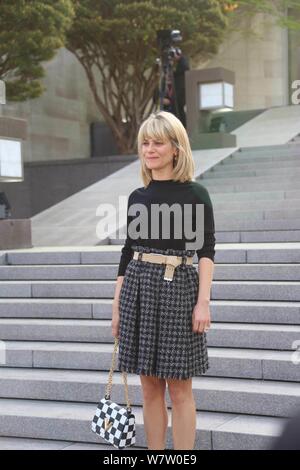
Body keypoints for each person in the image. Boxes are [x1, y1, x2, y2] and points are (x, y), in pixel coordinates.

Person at [112, 111, 216, 450]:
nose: (150, 149)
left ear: (176, 148)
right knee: (149, 386)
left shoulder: (195, 194)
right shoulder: (136, 197)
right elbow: (127, 254)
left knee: (180, 388)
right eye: (145, 142)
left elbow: (206, 251)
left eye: (158, 142)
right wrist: (116, 307)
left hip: (179, 288)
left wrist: (203, 302)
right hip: (138, 289)